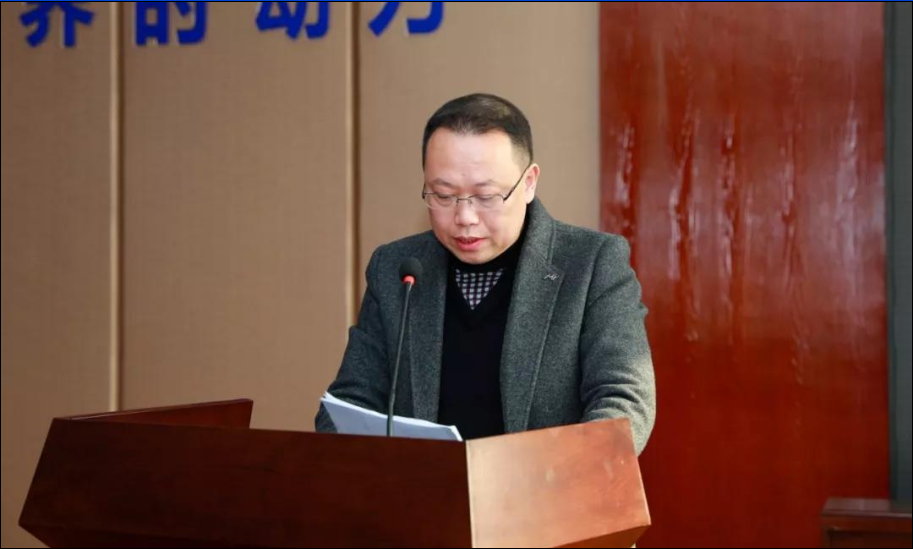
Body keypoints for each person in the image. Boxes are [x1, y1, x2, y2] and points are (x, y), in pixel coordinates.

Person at [316, 93, 655, 454]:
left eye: (486, 196)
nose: (464, 217)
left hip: (546, 486)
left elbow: (624, 400)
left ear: (529, 183)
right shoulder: (396, 268)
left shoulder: (592, 264)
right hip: (422, 489)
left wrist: (549, 472)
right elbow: (350, 401)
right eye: (443, 195)